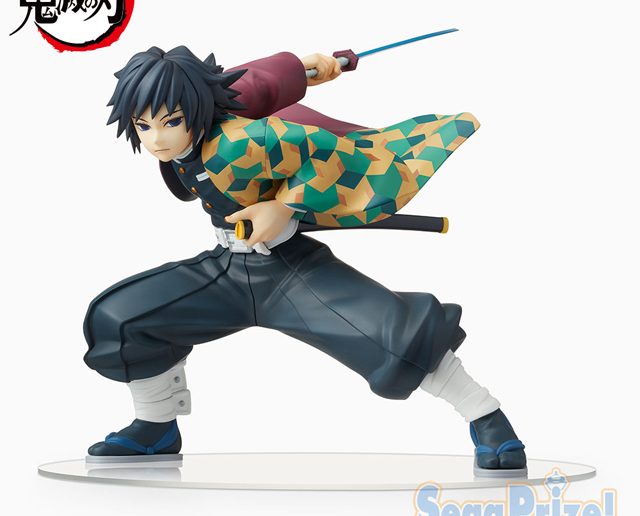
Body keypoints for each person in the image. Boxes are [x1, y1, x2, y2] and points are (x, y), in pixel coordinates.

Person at [83, 46, 527, 474]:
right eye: (143, 125)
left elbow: (327, 152)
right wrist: (306, 66)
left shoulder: (241, 144)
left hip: (288, 272)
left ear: (193, 110)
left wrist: (286, 206)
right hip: (228, 270)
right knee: (121, 318)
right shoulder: (192, 124)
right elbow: (251, 82)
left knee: (397, 335)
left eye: (171, 122)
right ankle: (156, 427)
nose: (157, 139)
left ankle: (487, 418)